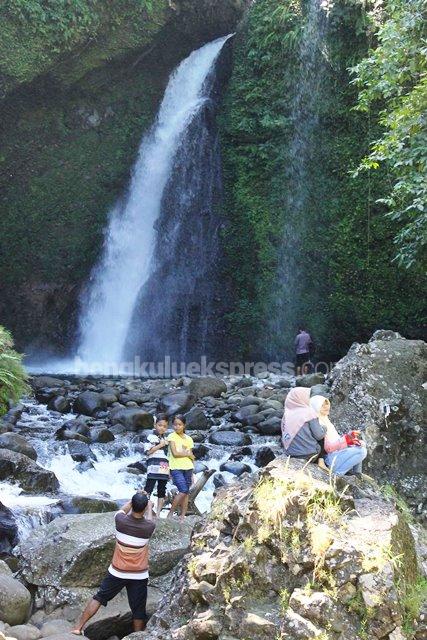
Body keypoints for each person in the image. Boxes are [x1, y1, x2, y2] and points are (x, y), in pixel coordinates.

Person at [71, 492, 155, 636]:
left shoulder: (120, 520)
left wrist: (133, 499)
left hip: (117, 571)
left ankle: (78, 627)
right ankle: (137, 637)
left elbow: (123, 510)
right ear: (144, 507)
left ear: (132, 505)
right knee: (138, 609)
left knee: (99, 597)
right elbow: (150, 518)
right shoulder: (149, 527)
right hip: (138, 575)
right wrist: (149, 506)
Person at [309, 395, 367, 475]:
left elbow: (336, 440)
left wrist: (350, 440)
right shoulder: (318, 423)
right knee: (362, 451)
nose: (326, 407)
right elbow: (328, 448)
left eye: (327, 404)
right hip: (329, 458)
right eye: (322, 405)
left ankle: (357, 474)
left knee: (360, 444)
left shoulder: (325, 420)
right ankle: (337, 474)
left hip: (335, 454)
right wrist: (347, 439)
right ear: (316, 407)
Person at [281, 387, 327, 467]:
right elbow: (319, 436)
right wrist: (325, 428)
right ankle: (321, 462)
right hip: (309, 455)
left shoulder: (286, 414)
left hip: (290, 455)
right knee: (322, 430)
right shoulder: (309, 413)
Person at [166, 415, 194, 522]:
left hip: (188, 468)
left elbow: (191, 456)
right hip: (176, 467)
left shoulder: (189, 439)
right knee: (183, 490)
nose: (177, 427)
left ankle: (182, 517)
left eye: (180, 424)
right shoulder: (171, 436)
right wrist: (185, 453)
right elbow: (175, 453)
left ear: (184, 425)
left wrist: (193, 473)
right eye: (175, 424)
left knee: (186, 493)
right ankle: (170, 513)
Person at [144, 414, 170, 516]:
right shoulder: (151, 437)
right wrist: (161, 445)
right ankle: (145, 510)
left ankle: (158, 513)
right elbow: (148, 452)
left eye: (164, 426)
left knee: (162, 489)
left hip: (164, 465)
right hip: (154, 466)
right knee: (149, 488)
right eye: (160, 425)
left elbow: (167, 455)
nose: (162, 428)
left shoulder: (165, 438)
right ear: (155, 425)